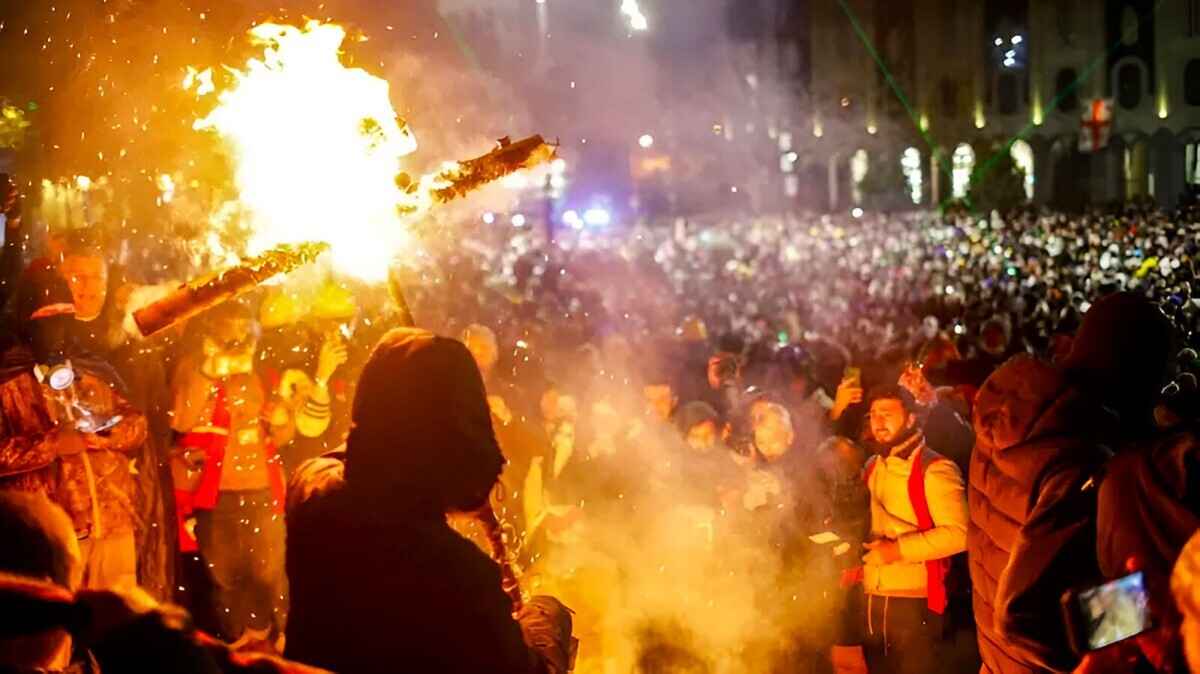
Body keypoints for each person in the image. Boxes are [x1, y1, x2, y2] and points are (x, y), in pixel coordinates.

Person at [284, 328, 573, 673]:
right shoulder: (458, 573)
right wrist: (545, 616)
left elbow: (367, 452)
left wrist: (449, 478)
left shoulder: (312, 491)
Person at [969, 292, 1173, 674]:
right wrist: (1152, 604)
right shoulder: (1079, 456)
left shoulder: (1011, 423)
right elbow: (1026, 618)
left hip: (998, 661)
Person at [170, 302, 293, 644]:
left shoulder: (258, 373)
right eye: (229, 330)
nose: (238, 339)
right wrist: (210, 372)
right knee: (223, 580)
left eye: (244, 330)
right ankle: (237, 648)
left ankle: (276, 646)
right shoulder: (196, 369)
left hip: (263, 493)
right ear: (212, 332)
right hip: (215, 496)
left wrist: (284, 422)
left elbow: (278, 434)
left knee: (270, 578)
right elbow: (180, 419)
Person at [853, 384, 967, 674]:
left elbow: (960, 533)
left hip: (915, 603)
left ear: (911, 419)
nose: (878, 422)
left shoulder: (936, 468)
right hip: (872, 597)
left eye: (887, 414)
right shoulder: (872, 465)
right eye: (874, 414)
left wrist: (897, 550)